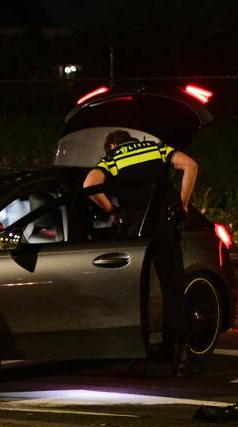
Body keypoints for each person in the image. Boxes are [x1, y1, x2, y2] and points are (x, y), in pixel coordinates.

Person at [82, 130, 199, 377]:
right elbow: (191, 165)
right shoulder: (156, 148)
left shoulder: (112, 158)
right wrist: (183, 204)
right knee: (173, 289)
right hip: (164, 226)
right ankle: (181, 358)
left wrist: (112, 209)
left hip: (136, 230)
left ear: (112, 145)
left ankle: (138, 358)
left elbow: (89, 184)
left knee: (138, 292)